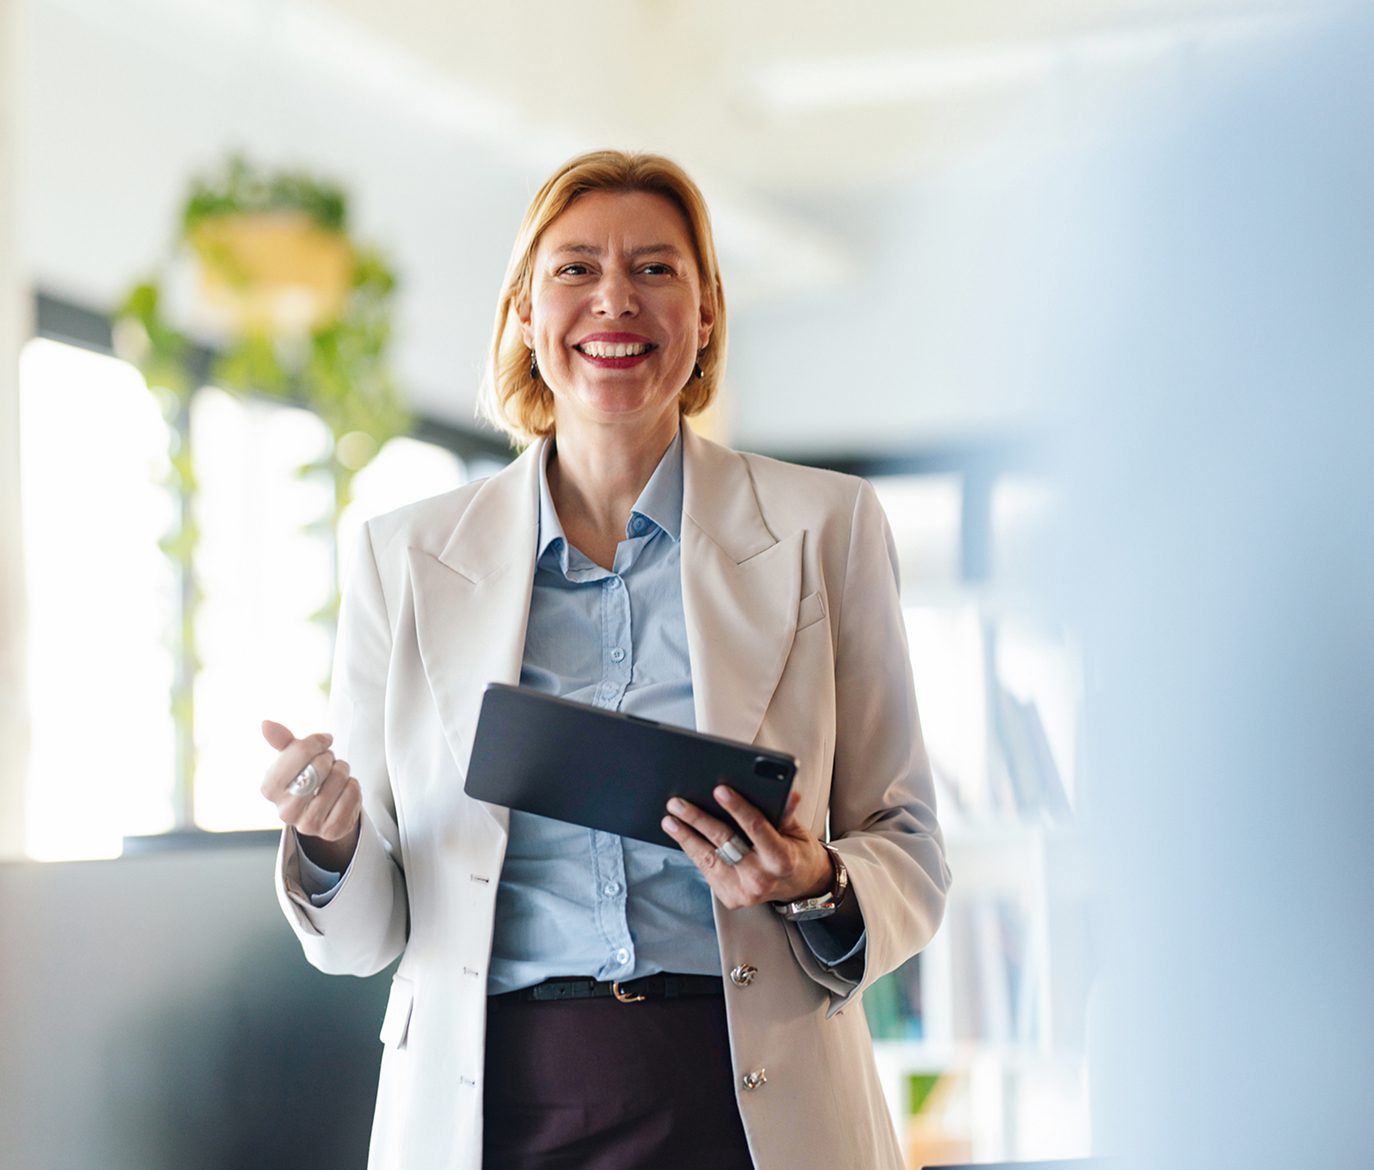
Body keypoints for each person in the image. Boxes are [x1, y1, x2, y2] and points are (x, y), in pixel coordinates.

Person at [259, 149, 950, 1170]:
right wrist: (329, 845)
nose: (615, 300)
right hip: (492, 1109)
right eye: (575, 269)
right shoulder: (403, 557)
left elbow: (910, 847)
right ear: (526, 314)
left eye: (656, 269)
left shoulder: (825, 527)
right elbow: (368, 934)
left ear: (707, 311)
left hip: (752, 1105)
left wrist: (812, 879)